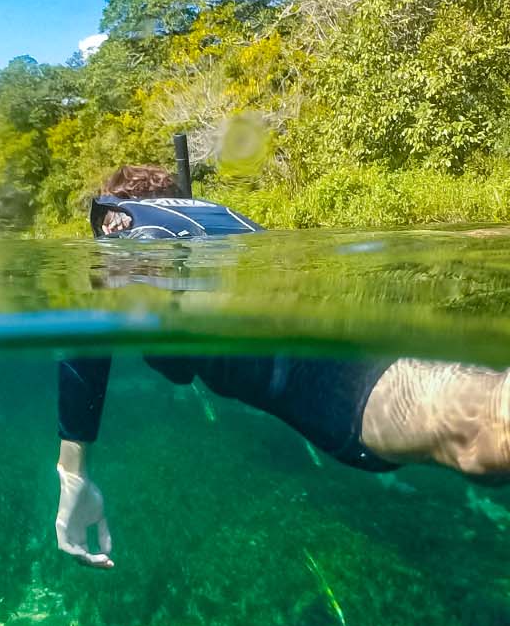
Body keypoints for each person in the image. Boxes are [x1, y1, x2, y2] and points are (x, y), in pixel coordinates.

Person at [55, 165, 510, 569]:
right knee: (486, 431)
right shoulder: (217, 226)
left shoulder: (138, 249)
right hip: (363, 335)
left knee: (484, 430)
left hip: (340, 387)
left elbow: (87, 335)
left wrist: (72, 472)